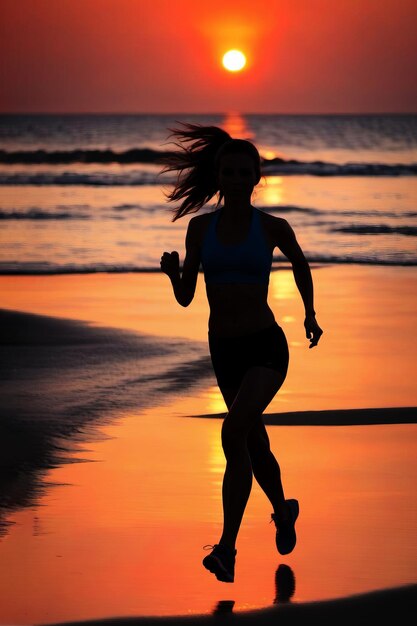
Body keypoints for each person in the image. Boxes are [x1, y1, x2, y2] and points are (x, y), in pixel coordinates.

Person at [159, 122, 323, 584]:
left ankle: (227, 548)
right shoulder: (200, 229)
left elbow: (300, 262)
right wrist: (174, 275)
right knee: (254, 442)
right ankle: (283, 510)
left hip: (266, 347)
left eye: (241, 172)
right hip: (224, 351)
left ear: (255, 178)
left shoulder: (272, 226)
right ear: (219, 177)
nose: (233, 179)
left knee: (233, 432)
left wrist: (309, 313)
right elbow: (189, 297)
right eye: (226, 172)